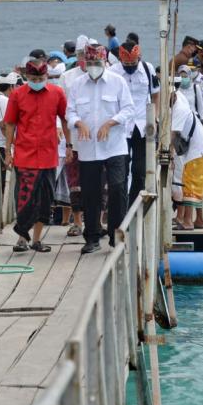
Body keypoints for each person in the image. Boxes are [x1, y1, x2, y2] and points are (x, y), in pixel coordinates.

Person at [67, 44, 134, 253]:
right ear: (84, 63)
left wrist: (110, 123)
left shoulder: (117, 82)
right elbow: (70, 112)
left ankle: (117, 236)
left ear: (104, 62)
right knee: (90, 193)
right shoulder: (77, 85)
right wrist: (79, 123)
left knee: (117, 188)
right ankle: (92, 237)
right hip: (88, 148)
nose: (93, 67)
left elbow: (129, 109)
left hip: (114, 145)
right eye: (90, 63)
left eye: (97, 63)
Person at [4, 59, 70, 253]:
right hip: (25, 154)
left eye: (40, 78)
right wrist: (8, 151)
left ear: (47, 76)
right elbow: (9, 124)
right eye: (33, 78)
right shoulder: (17, 95)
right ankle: (21, 238)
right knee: (24, 198)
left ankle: (37, 239)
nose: (37, 81)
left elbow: (65, 120)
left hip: (49, 154)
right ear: (27, 77)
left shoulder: (57, 93)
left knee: (45, 198)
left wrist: (69, 145)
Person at [111, 40, 160, 204]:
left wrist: (155, 117)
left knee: (140, 170)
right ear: (120, 59)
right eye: (127, 63)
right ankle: (120, 204)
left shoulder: (147, 69)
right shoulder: (113, 73)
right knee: (121, 169)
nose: (130, 66)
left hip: (142, 125)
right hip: (121, 126)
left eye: (133, 62)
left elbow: (155, 94)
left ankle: (134, 203)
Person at [57, 35, 91, 237]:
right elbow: (61, 110)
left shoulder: (108, 77)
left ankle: (96, 221)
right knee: (74, 181)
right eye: (82, 56)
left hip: (98, 141)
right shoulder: (67, 78)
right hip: (73, 139)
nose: (85, 59)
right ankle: (77, 221)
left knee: (98, 182)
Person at [171, 71, 203, 230]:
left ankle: (188, 221)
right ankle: (200, 220)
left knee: (189, 187)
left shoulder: (179, 108)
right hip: (200, 149)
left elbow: (172, 135)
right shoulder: (179, 96)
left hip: (197, 152)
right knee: (196, 187)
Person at [0, 72, 22, 158]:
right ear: (11, 87)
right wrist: (19, 145)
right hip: (1, 147)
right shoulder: (4, 100)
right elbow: (3, 126)